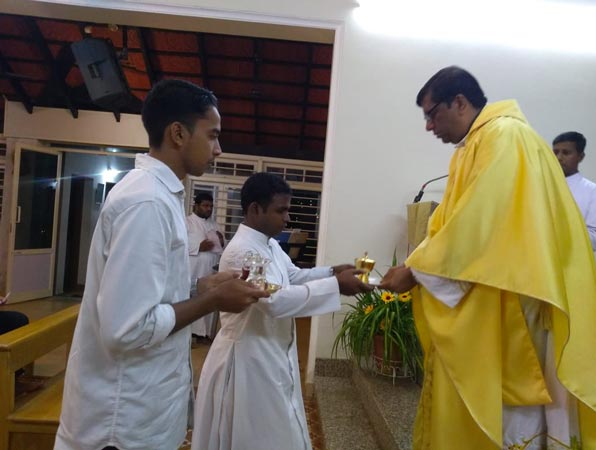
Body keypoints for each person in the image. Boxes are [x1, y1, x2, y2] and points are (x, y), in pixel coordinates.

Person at [380, 66, 596, 449]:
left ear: (459, 102)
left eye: (432, 114)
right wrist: (417, 262)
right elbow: (455, 221)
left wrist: (414, 272)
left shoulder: (506, 136)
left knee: (511, 404)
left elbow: (482, 221)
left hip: (514, 294)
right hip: (493, 287)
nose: (429, 126)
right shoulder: (476, 144)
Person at [54, 80, 269, 450]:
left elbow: (150, 293)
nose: (218, 149)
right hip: (121, 419)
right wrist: (212, 301)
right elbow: (128, 328)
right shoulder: (147, 202)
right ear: (178, 133)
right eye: (213, 135)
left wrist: (200, 287)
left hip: (140, 408)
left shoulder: (161, 195)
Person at [191, 172, 372, 450]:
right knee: (255, 436)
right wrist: (336, 285)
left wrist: (331, 271)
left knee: (279, 426)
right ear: (255, 209)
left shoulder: (270, 244)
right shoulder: (242, 251)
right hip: (247, 358)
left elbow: (293, 276)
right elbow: (273, 300)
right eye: (281, 210)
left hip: (270, 350)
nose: (287, 218)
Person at [552, 131, 596, 251]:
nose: (559, 158)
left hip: (573, 259)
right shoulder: (540, 185)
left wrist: (558, 234)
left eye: (566, 153)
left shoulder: (593, 192)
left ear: (580, 157)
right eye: (555, 152)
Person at [187, 192, 225, 341]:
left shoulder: (215, 225)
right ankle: (191, 333)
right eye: (205, 205)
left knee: (208, 298)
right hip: (193, 269)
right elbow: (178, 245)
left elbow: (222, 248)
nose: (209, 209)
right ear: (196, 206)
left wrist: (222, 241)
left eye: (211, 206)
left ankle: (206, 333)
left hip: (210, 269)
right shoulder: (186, 222)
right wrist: (198, 247)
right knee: (192, 299)